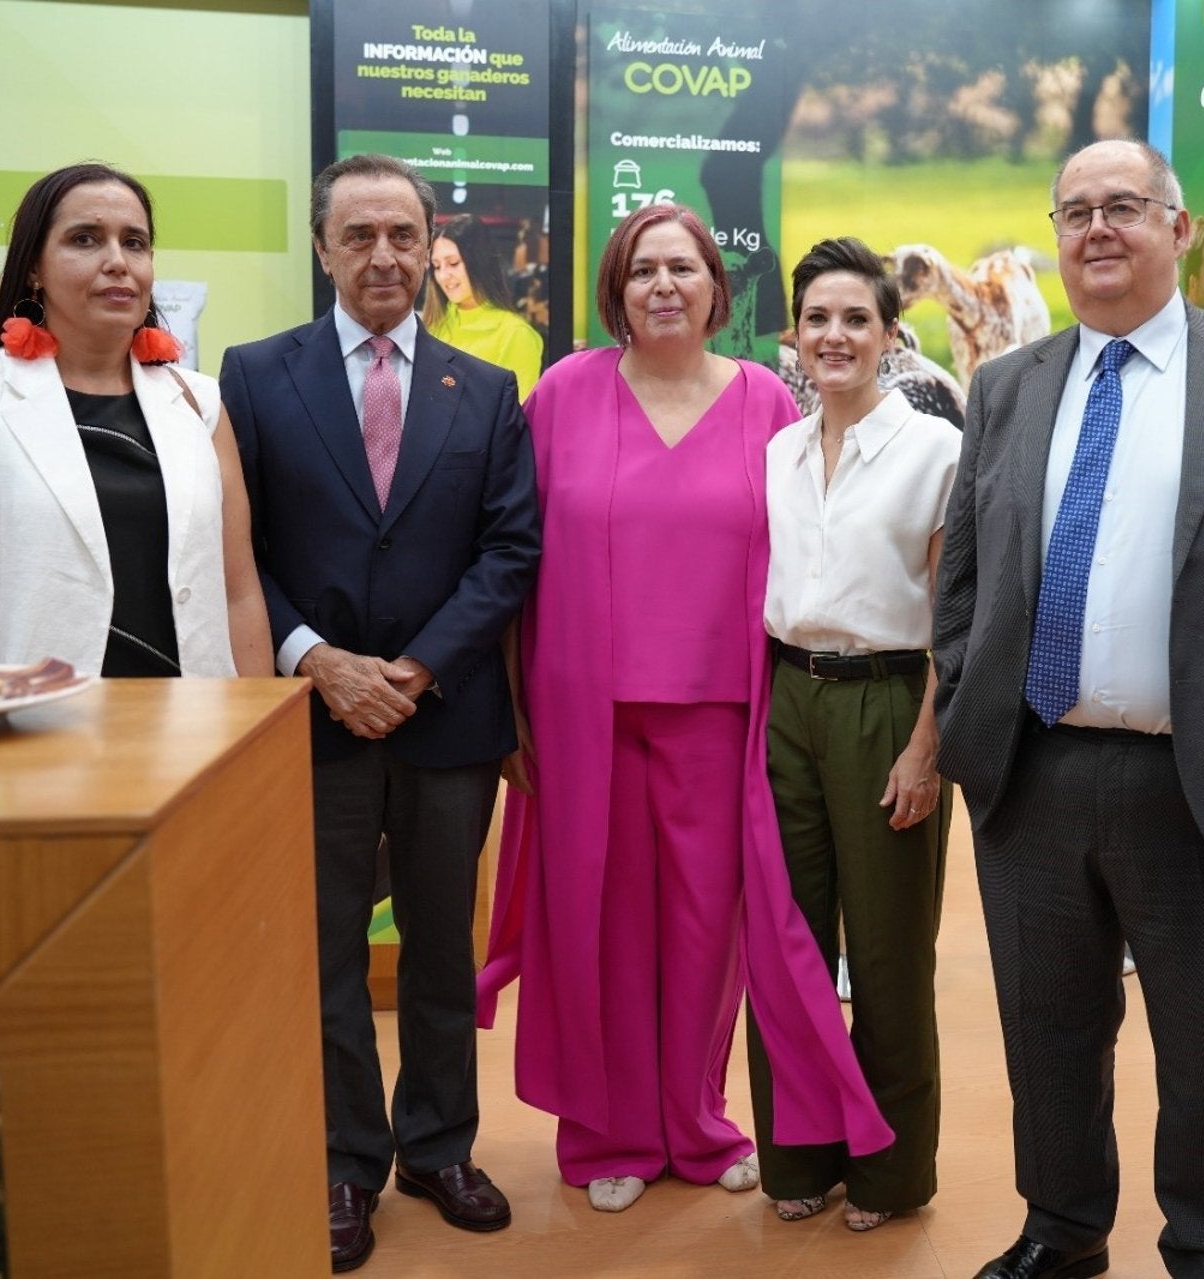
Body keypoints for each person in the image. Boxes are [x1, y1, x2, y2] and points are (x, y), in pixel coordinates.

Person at [934, 139, 1204, 1279]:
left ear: (1180, 230)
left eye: (1124, 205)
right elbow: (964, 577)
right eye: (1074, 210)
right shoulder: (1007, 387)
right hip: (1033, 771)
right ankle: (1062, 1226)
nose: (1097, 228)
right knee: (1047, 1027)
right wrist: (970, 712)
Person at [476, 203, 892, 1217]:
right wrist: (510, 708)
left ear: (716, 289)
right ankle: (610, 1131)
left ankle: (697, 1120)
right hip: (586, 715)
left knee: (710, 934)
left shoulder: (765, 399)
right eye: (642, 269)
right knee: (604, 928)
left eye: (684, 268)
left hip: (722, 712)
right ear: (616, 291)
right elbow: (513, 555)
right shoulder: (564, 393)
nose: (663, 284)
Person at [220, 153, 540, 1274]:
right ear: (322, 249)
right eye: (357, 235)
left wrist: (412, 668)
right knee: (328, 952)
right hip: (311, 721)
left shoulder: (485, 390)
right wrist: (317, 662)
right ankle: (344, 1161)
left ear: (430, 244)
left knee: (444, 947)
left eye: (403, 233)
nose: (384, 256)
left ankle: (440, 1149)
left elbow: (510, 551)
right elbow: (236, 549)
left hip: (445, 718)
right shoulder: (254, 376)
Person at [746, 236, 960, 1232]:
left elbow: (958, 621)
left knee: (886, 954)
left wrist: (926, 748)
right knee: (785, 944)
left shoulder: (935, 452)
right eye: (817, 319)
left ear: (889, 334)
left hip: (888, 704)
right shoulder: (779, 452)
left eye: (855, 319)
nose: (834, 336)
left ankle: (890, 1172)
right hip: (788, 698)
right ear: (794, 336)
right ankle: (799, 1155)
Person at [0, 162, 268, 677]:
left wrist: (263, 719)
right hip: (29, 720)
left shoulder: (200, 403)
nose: (117, 261)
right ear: (34, 267)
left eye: (134, 243)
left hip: (197, 719)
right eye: (85, 240)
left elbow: (238, 593)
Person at [424, 214, 544, 401]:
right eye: (437, 266)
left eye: (453, 263)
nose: (443, 275)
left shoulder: (515, 334)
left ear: (478, 262)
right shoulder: (433, 326)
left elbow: (515, 412)